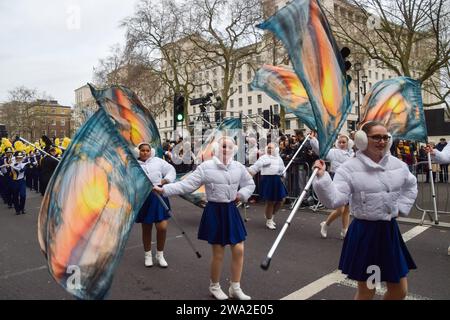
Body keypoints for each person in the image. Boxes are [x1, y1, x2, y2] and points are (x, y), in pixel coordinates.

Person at [312, 121, 417, 300]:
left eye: (385, 137)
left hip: (389, 233)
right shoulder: (349, 168)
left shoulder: (397, 165)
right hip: (367, 235)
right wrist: (322, 179)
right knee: (368, 291)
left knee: (400, 290)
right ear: (362, 140)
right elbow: (335, 199)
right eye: (376, 137)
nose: (382, 141)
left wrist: (401, 208)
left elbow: (411, 184)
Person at [153, 136, 255, 300]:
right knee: (218, 252)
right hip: (215, 210)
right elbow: (186, 185)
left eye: (230, 147)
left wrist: (242, 194)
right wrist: (164, 190)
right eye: (223, 146)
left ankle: (235, 287)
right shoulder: (206, 167)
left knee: (238, 249)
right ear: (216, 148)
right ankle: (214, 286)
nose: (226, 149)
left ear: (234, 150)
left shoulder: (238, 167)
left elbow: (250, 184)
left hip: (231, 209)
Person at [135, 142, 176, 268]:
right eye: (142, 150)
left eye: (147, 150)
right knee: (146, 227)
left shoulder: (158, 161)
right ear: (138, 152)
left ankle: (160, 254)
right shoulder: (134, 165)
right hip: (144, 197)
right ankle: (148, 255)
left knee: (162, 227)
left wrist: (165, 180)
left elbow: (171, 169)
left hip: (158, 196)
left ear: (150, 151)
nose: (145, 152)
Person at [310, 133, 354, 239]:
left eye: (344, 142)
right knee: (340, 209)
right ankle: (325, 224)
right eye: (340, 142)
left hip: (349, 182)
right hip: (337, 180)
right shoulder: (333, 152)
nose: (342, 144)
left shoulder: (353, 154)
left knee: (347, 209)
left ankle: (344, 231)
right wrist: (313, 140)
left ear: (348, 143)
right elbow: (322, 150)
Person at [248, 142, 287, 230]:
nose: (269, 149)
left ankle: (271, 216)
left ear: (275, 149)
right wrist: (249, 174)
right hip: (268, 180)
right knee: (271, 201)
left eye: (271, 148)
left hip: (277, 180)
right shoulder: (264, 158)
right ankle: (269, 220)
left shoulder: (279, 158)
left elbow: (283, 169)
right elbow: (255, 167)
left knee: (282, 200)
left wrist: (283, 175)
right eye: (268, 147)